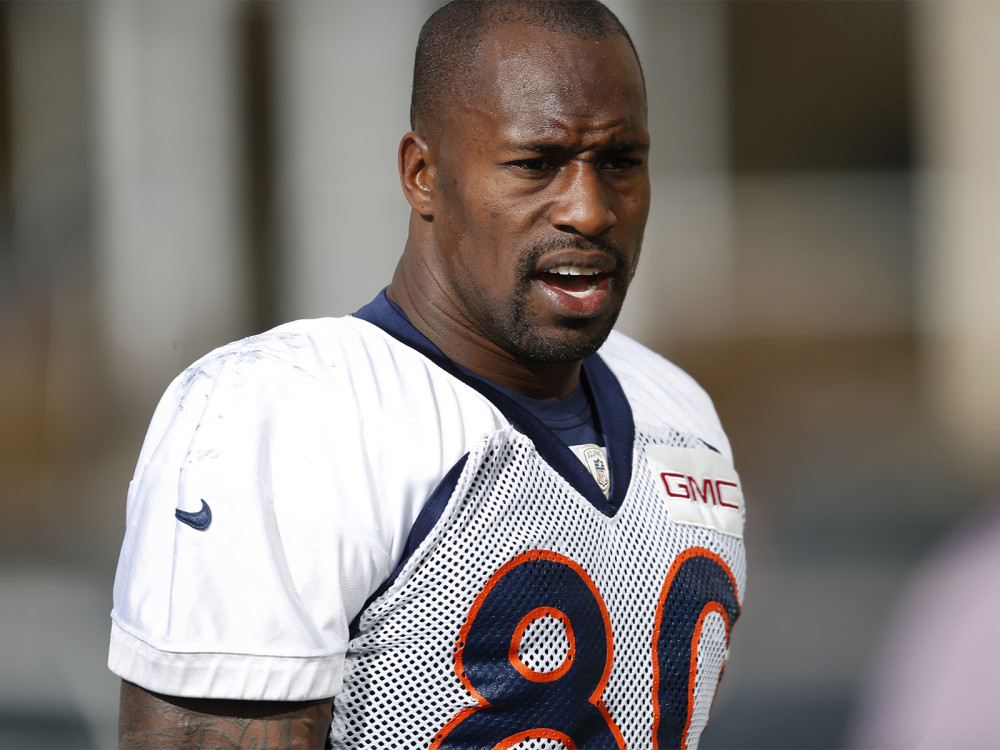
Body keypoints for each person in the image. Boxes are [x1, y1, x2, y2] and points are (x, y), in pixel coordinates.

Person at [109, 1, 747, 747]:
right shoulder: (285, 412)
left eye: (620, 162)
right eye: (536, 164)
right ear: (423, 174)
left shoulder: (681, 411)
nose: (589, 209)